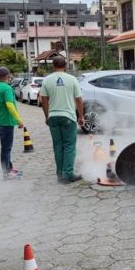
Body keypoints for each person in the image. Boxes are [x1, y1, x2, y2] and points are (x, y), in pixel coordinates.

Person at [40, 56, 84, 184]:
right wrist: (81, 116)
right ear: (66, 66)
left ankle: (60, 174)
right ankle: (68, 174)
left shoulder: (47, 80)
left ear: (53, 66)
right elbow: (79, 100)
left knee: (58, 146)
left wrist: (47, 116)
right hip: (68, 117)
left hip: (53, 117)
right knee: (69, 146)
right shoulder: (72, 79)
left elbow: (43, 100)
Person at [0, 67, 24, 180]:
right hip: (6, 122)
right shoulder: (7, 88)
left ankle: (9, 168)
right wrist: (18, 119)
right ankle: (6, 173)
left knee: (5, 147)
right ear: (8, 76)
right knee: (6, 149)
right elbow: (10, 105)